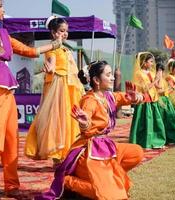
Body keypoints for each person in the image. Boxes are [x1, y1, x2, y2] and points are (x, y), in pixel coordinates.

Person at [0, 1, 62, 198]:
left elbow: (29, 51)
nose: (4, 10)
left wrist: (54, 44)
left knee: (10, 139)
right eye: (1, 6)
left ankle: (12, 186)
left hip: (6, 90)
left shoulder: (3, 34)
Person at [35, 60, 144, 200]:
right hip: (88, 151)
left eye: (112, 75)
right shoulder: (89, 101)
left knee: (137, 153)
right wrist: (85, 124)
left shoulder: (109, 96)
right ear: (97, 80)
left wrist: (136, 98)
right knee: (111, 195)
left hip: (105, 147)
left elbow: (125, 97)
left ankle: (107, 176)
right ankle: (68, 181)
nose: (112, 78)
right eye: (109, 75)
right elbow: (85, 124)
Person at [24, 16, 84, 164]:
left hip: (70, 88)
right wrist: (49, 69)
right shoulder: (52, 49)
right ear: (53, 32)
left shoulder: (65, 49)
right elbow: (51, 64)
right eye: (61, 31)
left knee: (70, 119)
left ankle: (69, 151)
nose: (65, 34)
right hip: (59, 87)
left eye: (66, 31)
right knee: (58, 119)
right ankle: (57, 154)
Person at [129, 52, 166, 149]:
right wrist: (154, 81)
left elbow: (158, 87)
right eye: (150, 62)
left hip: (153, 100)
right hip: (144, 101)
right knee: (144, 123)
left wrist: (159, 78)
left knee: (156, 122)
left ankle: (156, 141)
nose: (152, 64)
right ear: (144, 63)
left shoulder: (151, 73)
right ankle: (144, 142)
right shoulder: (139, 74)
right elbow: (144, 88)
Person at [155, 63, 175, 144]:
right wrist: (172, 88)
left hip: (166, 101)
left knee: (171, 120)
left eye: (161, 71)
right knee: (162, 121)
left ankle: (172, 138)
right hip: (160, 102)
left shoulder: (163, 80)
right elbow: (159, 91)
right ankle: (163, 138)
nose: (160, 73)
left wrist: (173, 88)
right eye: (158, 71)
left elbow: (167, 91)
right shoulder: (155, 80)